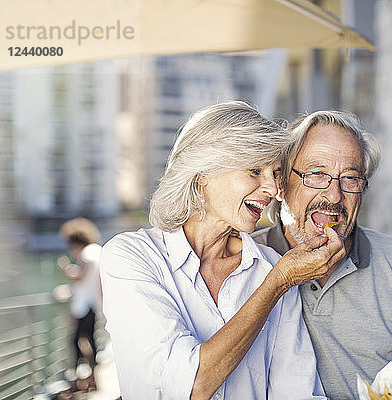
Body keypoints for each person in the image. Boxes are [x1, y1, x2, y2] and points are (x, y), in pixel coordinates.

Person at [99, 102, 345, 400]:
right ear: (204, 172)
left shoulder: (274, 268)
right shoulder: (130, 258)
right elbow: (189, 386)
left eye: (275, 173)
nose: (273, 190)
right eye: (255, 170)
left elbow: (297, 392)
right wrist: (276, 284)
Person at [252, 110, 392, 400]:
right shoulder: (247, 261)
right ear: (282, 184)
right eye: (317, 175)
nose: (335, 195)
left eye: (350, 179)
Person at [59, 217, 103, 366]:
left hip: (85, 304)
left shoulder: (86, 254)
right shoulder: (97, 250)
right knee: (90, 338)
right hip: (94, 302)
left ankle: (84, 375)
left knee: (78, 339)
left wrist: (66, 268)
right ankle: (91, 375)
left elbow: (80, 276)